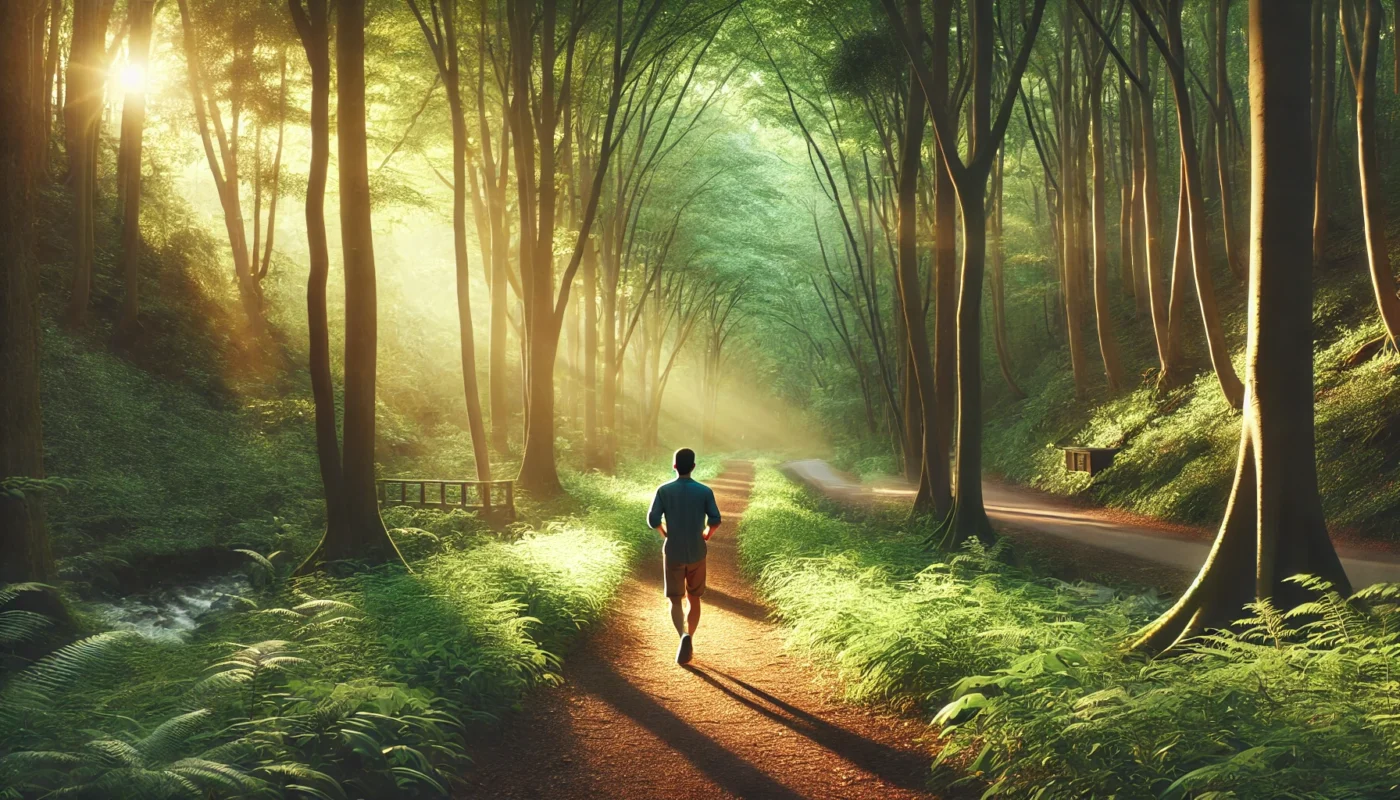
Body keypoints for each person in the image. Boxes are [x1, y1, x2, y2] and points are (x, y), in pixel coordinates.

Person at [646, 447, 721, 665]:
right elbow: (715, 519)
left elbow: (653, 519)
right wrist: (707, 532)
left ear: (675, 466)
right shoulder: (704, 491)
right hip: (697, 551)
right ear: (694, 467)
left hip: (673, 551)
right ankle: (691, 637)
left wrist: (664, 533)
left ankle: (683, 636)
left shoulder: (664, 490)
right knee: (694, 597)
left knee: (675, 599)